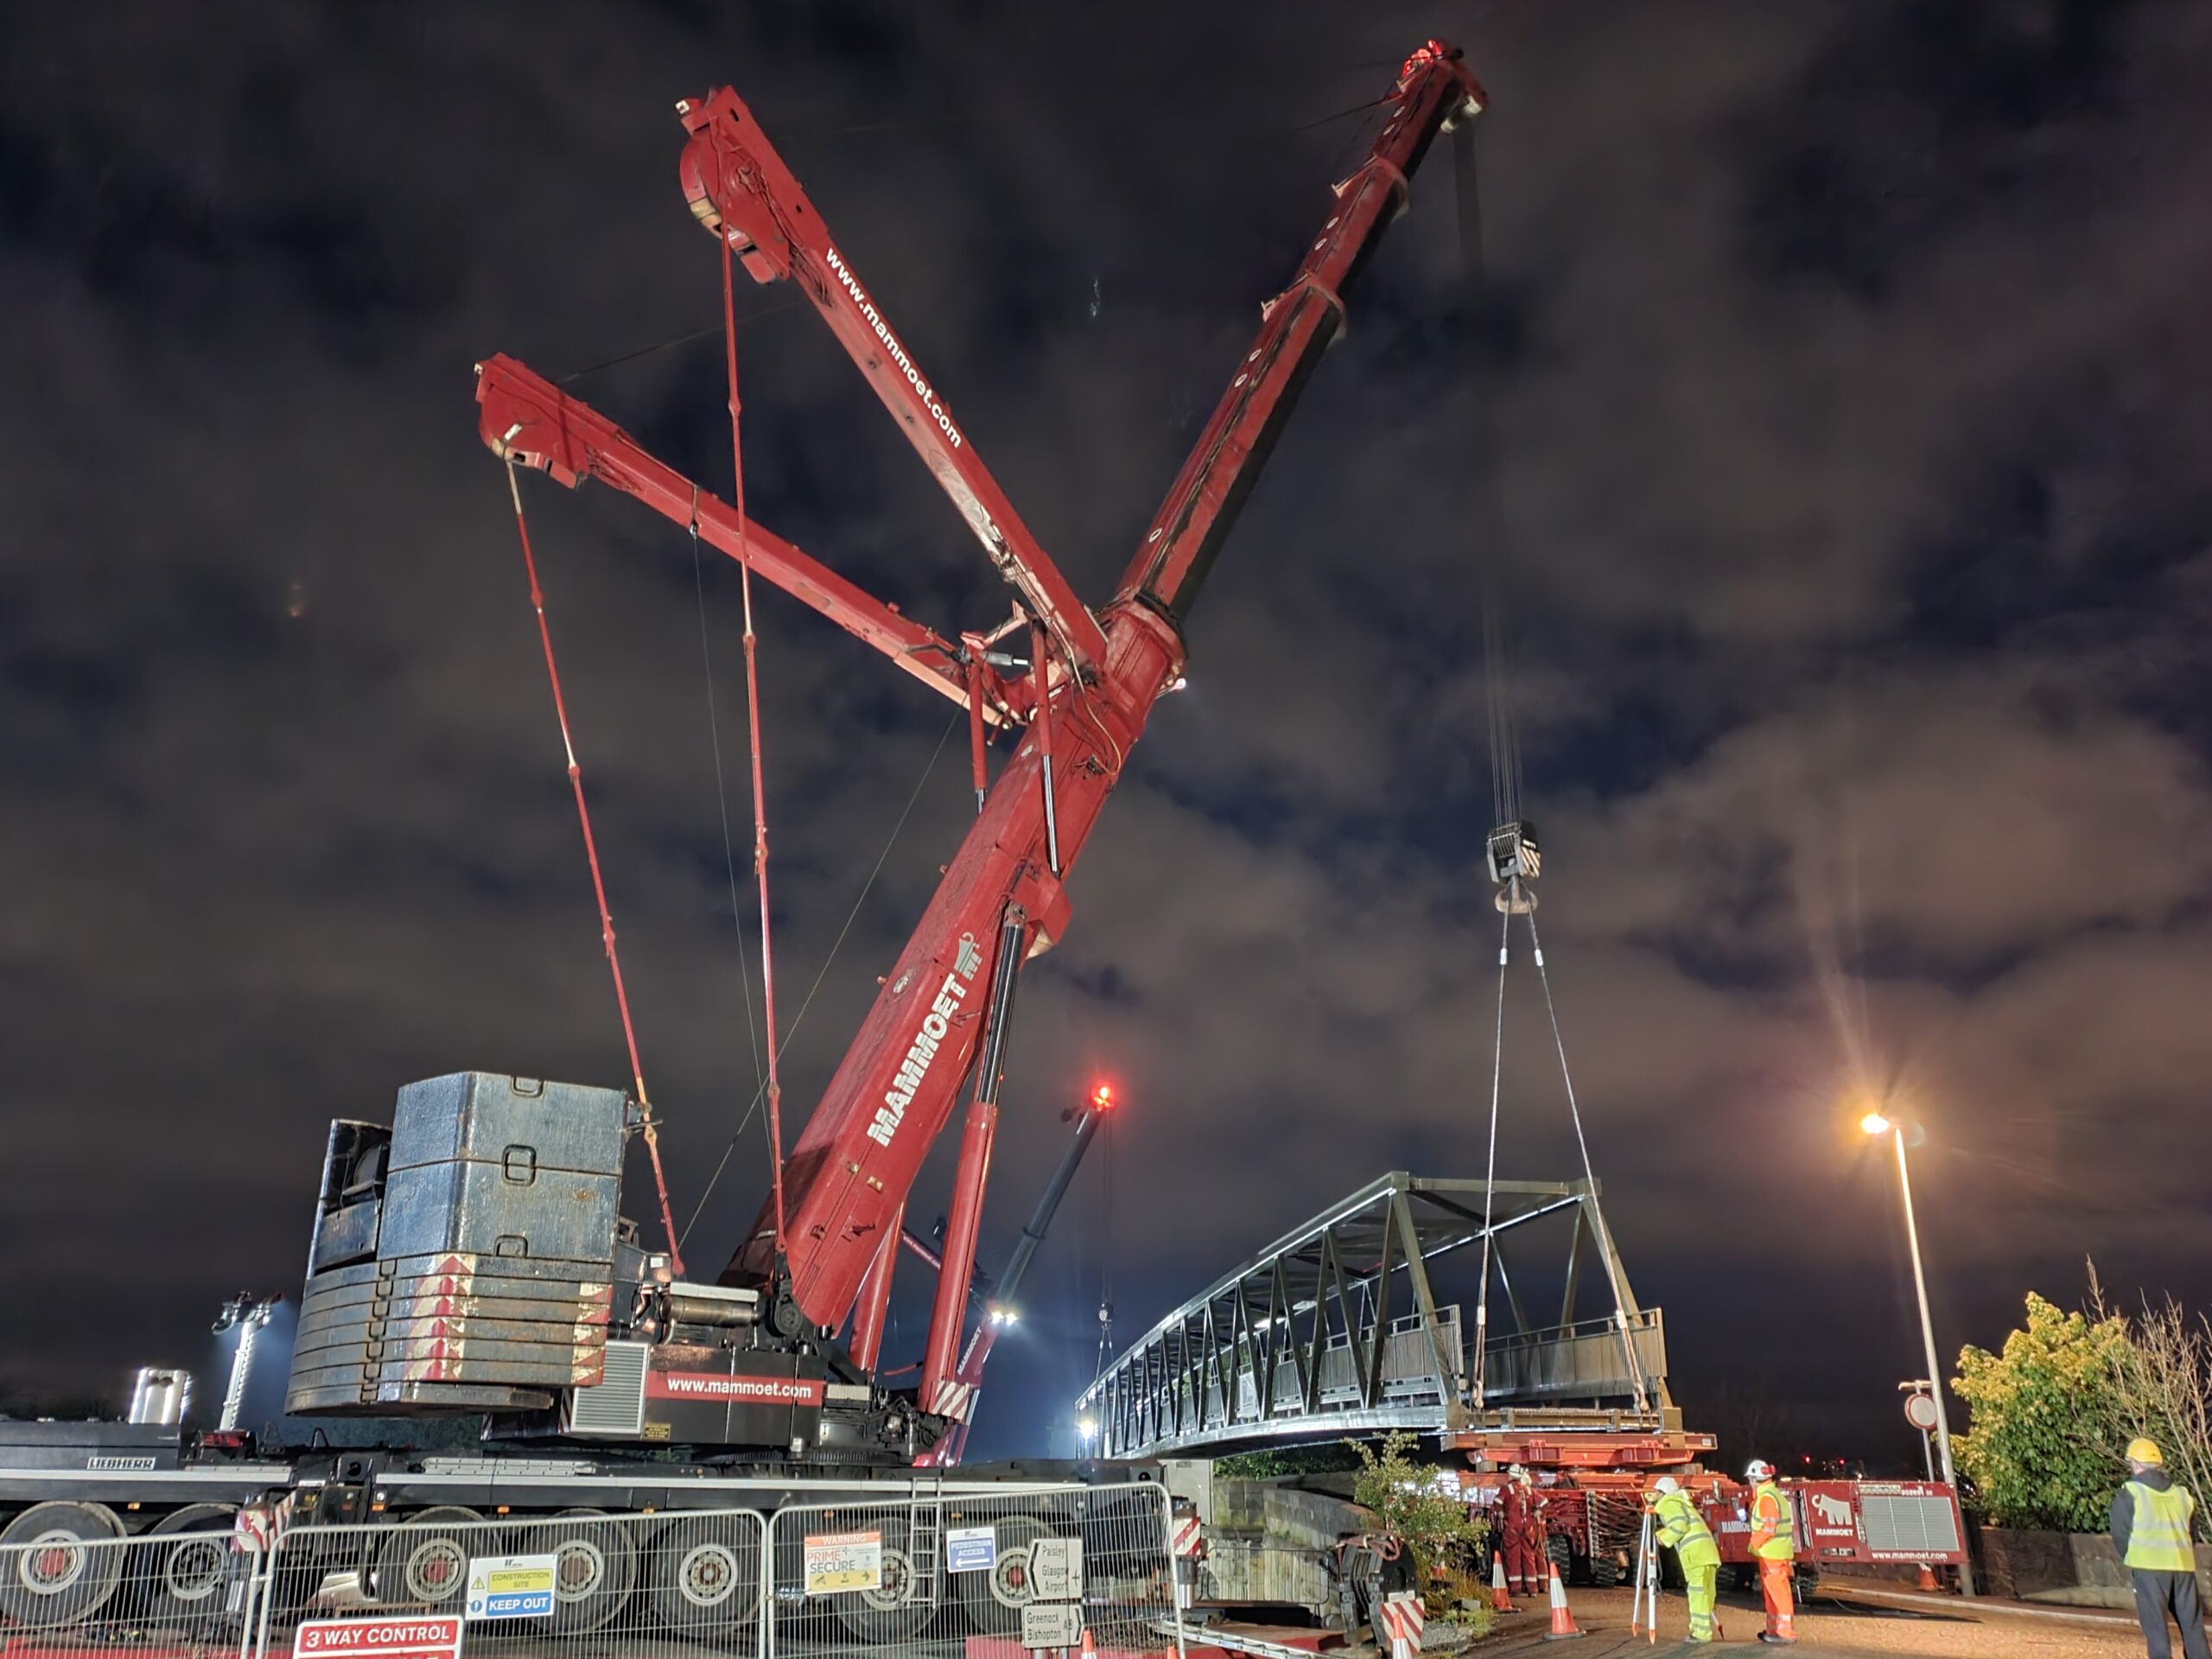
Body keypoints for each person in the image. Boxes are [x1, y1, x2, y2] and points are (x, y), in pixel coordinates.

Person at [2112, 1438, 2210, 1659]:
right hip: (2182, 1568)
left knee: (2157, 1631)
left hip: (2148, 1569)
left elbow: (2120, 1533)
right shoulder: (2183, 1495)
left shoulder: (2130, 1493)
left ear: (2136, 1465)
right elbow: (2191, 1534)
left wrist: (2132, 1557)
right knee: (2193, 1628)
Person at [1649, 1476, 1721, 1643]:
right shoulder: (1684, 1504)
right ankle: (1702, 1628)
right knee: (1706, 1593)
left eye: (1656, 1492)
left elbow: (1679, 1526)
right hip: (1708, 1553)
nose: (1654, 1496)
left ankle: (1701, 1633)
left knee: (1697, 1594)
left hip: (1695, 1554)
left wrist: (1661, 1538)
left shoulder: (1669, 1503)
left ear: (1663, 1493)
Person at [1744, 1459, 1797, 1645]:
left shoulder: (1767, 1498)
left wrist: (1753, 1544)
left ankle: (1785, 1632)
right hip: (1774, 1552)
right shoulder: (1773, 1495)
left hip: (1772, 1552)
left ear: (1755, 1479)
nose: (1749, 1482)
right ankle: (1774, 1630)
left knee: (1778, 1593)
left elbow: (1769, 1528)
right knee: (1773, 1593)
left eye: (1750, 1478)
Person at [1499, 1465, 1548, 1599]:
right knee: (1529, 1557)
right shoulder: (1529, 1490)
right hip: (1529, 1529)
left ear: (1511, 1475)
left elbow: (1498, 1501)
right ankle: (1533, 1589)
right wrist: (1537, 1512)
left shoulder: (1507, 1489)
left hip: (1513, 1529)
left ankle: (1516, 1588)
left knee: (1513, 1557)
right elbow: (1544, 1502)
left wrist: (1501, 1513)